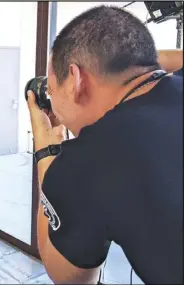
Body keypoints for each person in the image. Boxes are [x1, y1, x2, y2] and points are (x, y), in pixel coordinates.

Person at [26, 6, 182, 284]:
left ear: (75, 80)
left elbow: (70, 279)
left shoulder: (84, 163)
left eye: (51, 90)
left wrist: (46, 151)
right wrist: (122, 59)